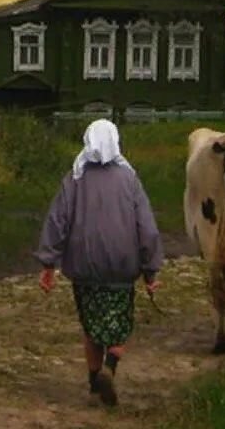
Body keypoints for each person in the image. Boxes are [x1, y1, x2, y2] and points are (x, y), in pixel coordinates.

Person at [35, 118, 163, 407]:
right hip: (121, 266)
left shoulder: (75, 179)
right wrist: (151, 270)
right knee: (119, 325)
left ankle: (95, 380)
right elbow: (147, 227)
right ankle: (111, 367)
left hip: (84, 266)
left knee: (92, 324)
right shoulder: (129, 179)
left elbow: (57, 222)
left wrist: (48, 264)